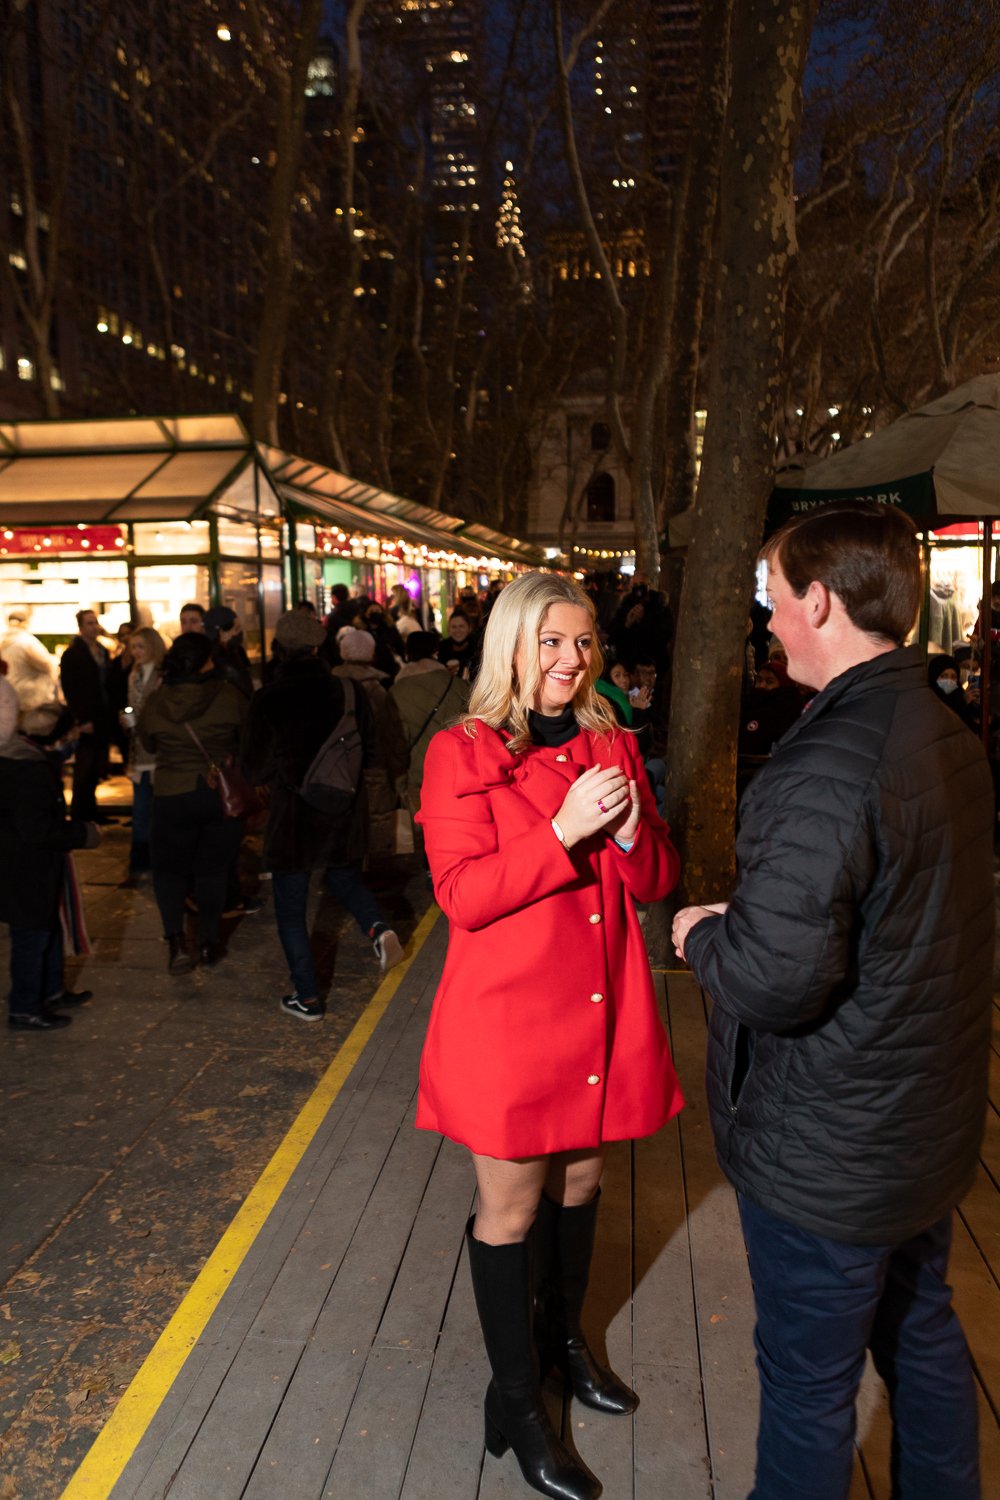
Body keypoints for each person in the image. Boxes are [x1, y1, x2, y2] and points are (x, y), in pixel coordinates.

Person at [672, 502, 994, 1500]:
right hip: (919, 1127)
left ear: (820, 599)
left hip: (830, 1148)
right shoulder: (942, 730)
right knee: (921, 1330)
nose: (765, 621)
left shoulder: (822, 765)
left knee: (809, 1387)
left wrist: (702, 934)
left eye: (773, 598)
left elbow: (774, 980)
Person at [417, 572, 683, 1500]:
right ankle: (520, 1404)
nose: (572, 661)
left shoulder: (611, 740)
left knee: (584, 1180)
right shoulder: (462, 749)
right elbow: (462, 895)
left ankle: (565, 1348)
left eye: (582, 644)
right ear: (514, 645)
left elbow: (655, 877)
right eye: (552, 642)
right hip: (511, 1019)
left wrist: (624, 834)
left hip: (603, 1004)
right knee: (513, 1209)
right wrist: (565, 832)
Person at [240, 610, 404, 1022]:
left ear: (281, 649)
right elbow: (369, 751)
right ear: (318, 647)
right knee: (345, 879)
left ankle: (308, 997)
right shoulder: (348, 690)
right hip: (343, 811)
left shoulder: (268, 698)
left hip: (293, 819)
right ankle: (377, 928)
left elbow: (254, 770)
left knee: (292, 909)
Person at [138, 631, 247, 973]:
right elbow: (246, 738)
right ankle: (209, 941)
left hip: (171, 794)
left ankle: (175, 942)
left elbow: (149, 742)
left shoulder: (157, 700)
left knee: (169, 872)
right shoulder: (229, 695)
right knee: (212, 870)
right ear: (205, 661)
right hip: (218, 794)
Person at [0, 680, 100, 1031]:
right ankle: (26, 1007)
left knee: (50, 929)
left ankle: (52, 990)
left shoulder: (26, 758)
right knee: (33, 937)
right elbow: (36, 828)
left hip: (33, 867)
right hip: (26, 869)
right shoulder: (28, 769)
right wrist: (84, 834)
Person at [382, 631, 471, 868]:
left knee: (427, 837)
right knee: (459, 833)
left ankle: (433, 876)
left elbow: (395, 744)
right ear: (436, 652)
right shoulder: (458, 686)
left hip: (418, 778)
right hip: (458, 775)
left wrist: (399, 782)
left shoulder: (397, 692)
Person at [332, 629, 395, 855]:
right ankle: (376, 869)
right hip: (373, 762)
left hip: (339, 763)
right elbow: (387, 731)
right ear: (371, 654)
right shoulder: (377, 690)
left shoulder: (332, 685)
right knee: (376, 816)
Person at [59, 608, 114, 821]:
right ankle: (81, 812)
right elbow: (72, 689)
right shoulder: (73, 653)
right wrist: (82, 719)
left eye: (95, 622)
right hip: (88, 717)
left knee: (97, 765)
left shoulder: (101, 650)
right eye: (90, 623)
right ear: (81, 627)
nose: (95, 626)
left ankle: (91, 811)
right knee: (85, 765)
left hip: (102, 716)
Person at [119, 626, 166, 877]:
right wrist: (129, 720)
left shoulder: (162, 674)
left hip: (157, 752)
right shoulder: (134, 674)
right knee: (141, 810)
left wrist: (138, 720)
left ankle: (157, 860)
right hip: (139, 751)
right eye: (133, 647)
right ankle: (139, 861)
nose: (136, 651)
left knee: (157, 810)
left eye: (141, 646)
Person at [0, 611, 60, 712]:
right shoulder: (27, 642)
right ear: (25, 623)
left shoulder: (2, 639)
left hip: (5, 694)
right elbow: (47, 665)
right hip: (26, 697)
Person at [204, 605, 254, 699]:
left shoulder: (237, 652)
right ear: (222, 633)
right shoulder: (224, 664)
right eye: (236, 628)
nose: (239, 632)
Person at [437, 608, 480, 681]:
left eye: (461, 626)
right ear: (449, 629)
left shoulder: (477, 648)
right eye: (454, 627)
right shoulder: (441, 648)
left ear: (469, 628)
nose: (457, 630)